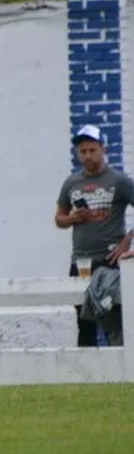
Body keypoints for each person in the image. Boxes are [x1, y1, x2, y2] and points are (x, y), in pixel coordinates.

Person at [56, 124, 134, 347]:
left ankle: (122, 371)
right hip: (81, 260)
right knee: (84, 319)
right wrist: (73, 218)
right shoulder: (72, 183)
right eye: (83, 151)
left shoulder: (119, 181)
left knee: (114, 319)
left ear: (103, 150)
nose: (88, 156)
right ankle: (86, 373)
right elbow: (59, 219)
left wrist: (128, 239)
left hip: (109, 259)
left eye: (92, 150)